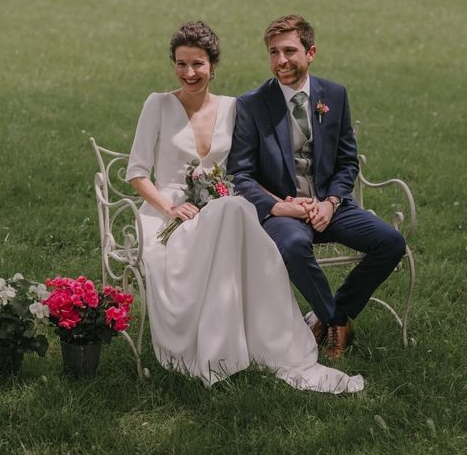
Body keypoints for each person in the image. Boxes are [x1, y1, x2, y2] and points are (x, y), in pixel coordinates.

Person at [125, 21, 363, 393]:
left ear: (213, 65)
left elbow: (245, 170)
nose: (189, 73)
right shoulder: (157, 105)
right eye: (181, 64)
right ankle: (217, 348)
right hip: (168, 214)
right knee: (236, 211)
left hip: (220, 208)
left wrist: (285, 199)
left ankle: (263, 340)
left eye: (198, 64)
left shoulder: (233, 108)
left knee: (234, 210)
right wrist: (171, 209)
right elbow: (137, 174)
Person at [227, 15, 406, 359]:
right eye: (273, 52)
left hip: (330, 207)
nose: (281, 61)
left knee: (391, 243)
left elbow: (347, 161)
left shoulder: (334, 95)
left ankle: (332, 312)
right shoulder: (251, 104)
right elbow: (240, 174)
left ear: (311, 53)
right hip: (284, 212)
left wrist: (332, 202)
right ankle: (335, 321)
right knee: (293, 246)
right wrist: (280, 207)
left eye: (290, 51)